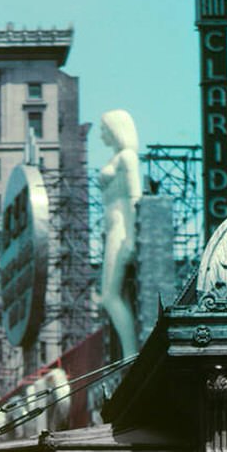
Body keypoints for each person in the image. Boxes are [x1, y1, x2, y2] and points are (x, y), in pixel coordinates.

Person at [97, 108, 141, 360]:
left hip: (122, 230)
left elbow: (135, 197)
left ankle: (130, 353)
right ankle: (129, 352)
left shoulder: (127, 157)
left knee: (110, 295)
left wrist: (132, 238)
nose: (101, 134)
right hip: (112, 230)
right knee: (116, 294)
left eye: (104, 129)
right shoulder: (117, 158)